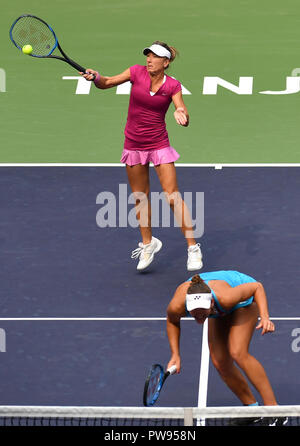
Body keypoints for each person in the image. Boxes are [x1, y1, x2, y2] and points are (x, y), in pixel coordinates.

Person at [80, 41, 202, 272]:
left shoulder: (173, 86)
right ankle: (149, 244)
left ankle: (193, 248)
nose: (149, 59)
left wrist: (181, 112)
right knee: (140, 197)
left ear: (166, 62)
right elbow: (106, 83)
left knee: (172, 195)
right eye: (148, 55)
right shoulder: (136, 72)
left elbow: (182, 109)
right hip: (134, 145)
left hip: (159, 144)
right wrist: (96, 78)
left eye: (155, 56)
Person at [166, 270, 287, 426]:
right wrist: (175, 354)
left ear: (210, 303)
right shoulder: (177, 305)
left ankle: (275, 410)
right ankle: (251, 409)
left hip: (244, 299)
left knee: (238, 351)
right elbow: (172, 321)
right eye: (194, 311)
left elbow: (257, 287)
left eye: (203, 311)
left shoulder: (225, 298)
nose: (198, 315)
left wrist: (265, 317)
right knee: (220, 361)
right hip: (220, 307)